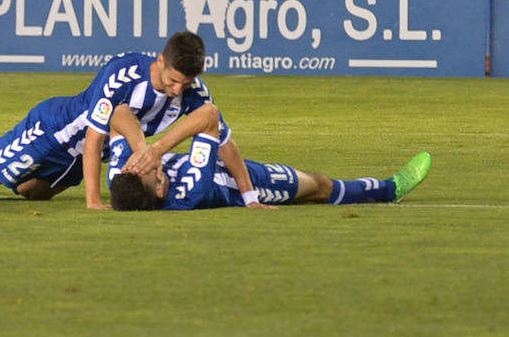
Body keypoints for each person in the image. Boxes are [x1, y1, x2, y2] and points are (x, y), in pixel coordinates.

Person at [0, 31, 271, 210]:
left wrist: (249, 198)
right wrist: (95, 200)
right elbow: (99, 136)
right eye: (173, 82)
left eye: (184, 84)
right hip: (54, 135)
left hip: (73, 157)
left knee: (31, 192)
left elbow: (221, 136)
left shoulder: (193, 89)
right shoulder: (124, 76)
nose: (178, 91)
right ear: (160, 62)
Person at [107, 132, 432, 211]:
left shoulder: (123, 180)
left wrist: (139, 147)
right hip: (253, 184)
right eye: (150, 170)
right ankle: (389, 189)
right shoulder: (191, 190)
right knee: (320, 186)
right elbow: (208, 116)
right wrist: (158, 150)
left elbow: (119, 115)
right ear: (161, 189)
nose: (145, 164)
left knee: (317, 183)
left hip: (226, 163)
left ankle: (384, 189)